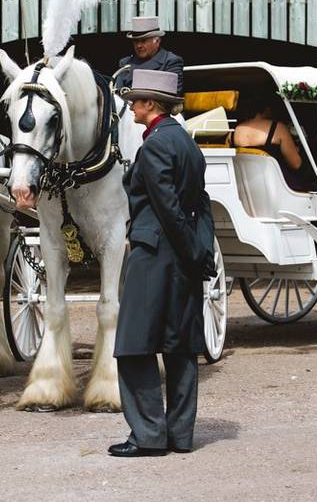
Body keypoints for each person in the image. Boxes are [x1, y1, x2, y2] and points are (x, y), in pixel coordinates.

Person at [109, 69, 215, 458]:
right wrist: (201, 252)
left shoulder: (153, 147)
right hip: (184, 259)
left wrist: (189, 250)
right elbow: (200, 203)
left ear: (150, 104)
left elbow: (168, 209)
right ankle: (180, 436)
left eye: (135, 101)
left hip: (154, 255)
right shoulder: (187, 143)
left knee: (134, 346)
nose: (131, 107)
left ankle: (149, 434)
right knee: (180, 347)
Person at [230, 93, 312, 191]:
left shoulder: (236, 129)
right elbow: (296, 164)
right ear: (267, 109)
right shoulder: (277, 128)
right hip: (277, 186)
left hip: (247, 186)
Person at [116, 16, 184, 94]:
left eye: (143, 41)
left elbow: (172, 95)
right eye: (136, 41)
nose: (139, 46)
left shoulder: (171, 61)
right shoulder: (125, 63)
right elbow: (117, 94)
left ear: (157, 42)